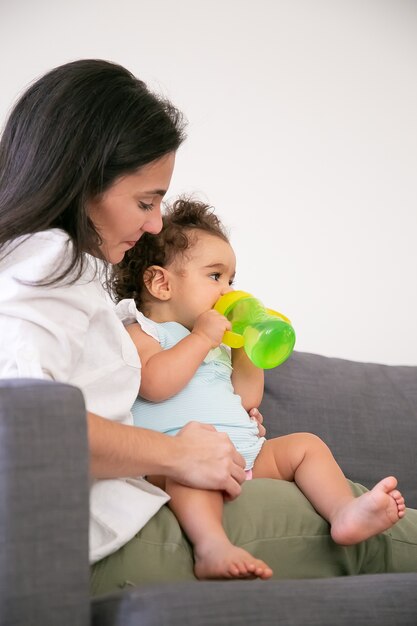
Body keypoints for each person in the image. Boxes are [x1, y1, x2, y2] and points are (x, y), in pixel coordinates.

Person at [0, 60, 416, 595]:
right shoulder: (47, 260)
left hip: (135, 505)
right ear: (82, 180)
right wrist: (179, 453)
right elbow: (26, 425)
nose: (154, 223)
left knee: (327, 473)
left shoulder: (46, 266)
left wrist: (238, 369)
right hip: (103, 538)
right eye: (145, 201)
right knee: (386, 544)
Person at [112, 197, 406, 580]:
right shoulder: (143, 331)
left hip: (247, 454)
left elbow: (246, 399)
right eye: (215, 276)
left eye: (232, 280)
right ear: (160, 283)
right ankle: (212, 546)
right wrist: (200, 338)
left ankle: (344, 513)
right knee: (189, 480)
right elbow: (154, 384)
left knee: (306, 445)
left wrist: (251, 349)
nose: (227, 289)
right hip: (184, 459)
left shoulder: (217, 343)